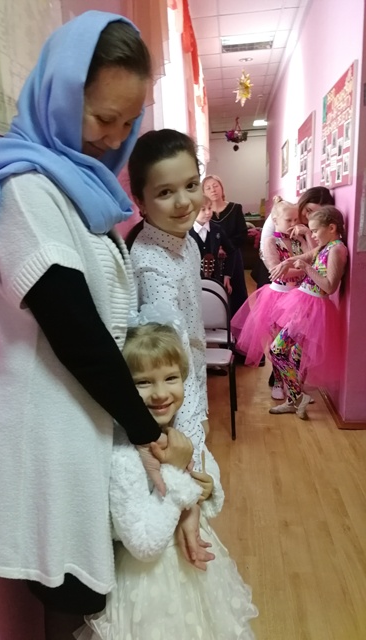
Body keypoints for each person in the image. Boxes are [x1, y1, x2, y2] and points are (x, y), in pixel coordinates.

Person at [0, 12, 178, 639]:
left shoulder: (82, 190)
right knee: (71, 593)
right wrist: (146, 429)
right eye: (102, 116)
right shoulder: (25, 192)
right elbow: (76, 331)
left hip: (90, 420)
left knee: (91, 597)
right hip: (50, 435)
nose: (113, 138)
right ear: (59, 94)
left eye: (128, 122)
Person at [77, 322, 258, 640]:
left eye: (170, 378)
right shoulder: (124, 456)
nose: (160, 393)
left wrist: (207, 489)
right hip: (149, 586)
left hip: (197, 571)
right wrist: (177, 477)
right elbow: (144, 544)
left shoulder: (178, 434)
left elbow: (204, 467)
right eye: (143, 382)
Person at [126, 129, 208, 466]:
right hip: (170, 409)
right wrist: (192, 434)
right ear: (140, 201)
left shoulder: (186, 241)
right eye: (165, 192)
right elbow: (168, 360)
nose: (183, 202)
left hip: (193, 384)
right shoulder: (152, 266)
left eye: (191, 185)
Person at [268, 206, 347, 419]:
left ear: (332, 228)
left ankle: (297, 396)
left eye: (315, 231)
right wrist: (286, 262)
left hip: (312, 308)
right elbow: (307, 254)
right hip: (304, 303)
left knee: (277, 350)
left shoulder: (337, 250)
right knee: (295, 355)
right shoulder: (326, 245)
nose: (312, 235)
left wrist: (305, 267)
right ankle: (294, 400)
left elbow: (330, 286)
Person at [231, 201, 308, 400]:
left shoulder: (299, 241)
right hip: (277, 297)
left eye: (296, 219)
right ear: (275, 220)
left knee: (297, 342)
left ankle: (294, 383)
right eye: (289, 220)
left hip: (299, 297)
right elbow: (277, 272)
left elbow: (314, 257)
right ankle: (278, 380)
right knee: (277, 342)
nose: (293, 224)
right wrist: (305, 270)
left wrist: (306, 235)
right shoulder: (271, 242)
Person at [202, 175, 249, 316]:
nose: (213, 190)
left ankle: (238, 323)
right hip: (211, 258)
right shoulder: (204, 213)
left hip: (233, 255)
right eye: (208, 188)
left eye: (215, 186)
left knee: (237, 290)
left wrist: (225, 247)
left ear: (222, 188)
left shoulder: (235, 208)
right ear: (203, 193)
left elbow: (242, 234)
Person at [190, 194, 235, 292]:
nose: (208, 212)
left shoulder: (217, 229)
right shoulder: (186, 232)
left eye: (210, 208)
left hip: (215, 278)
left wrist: (227, 275)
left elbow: (231, 251)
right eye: (203, 209)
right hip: (192, 281)